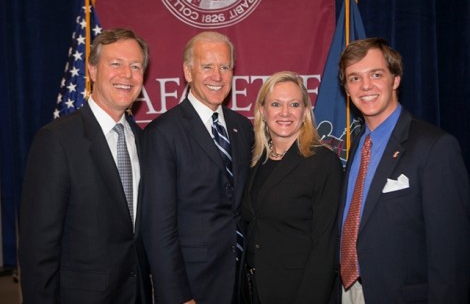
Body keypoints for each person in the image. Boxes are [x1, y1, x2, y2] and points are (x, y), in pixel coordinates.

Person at [18, 28, 152, 304]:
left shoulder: (141, 139)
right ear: (92, 70)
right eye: (116, 64)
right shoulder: (57, 141)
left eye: (135, 66)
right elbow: (38, 250)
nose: (127, 75)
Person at [337, 37, 470, 304]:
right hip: (348, 293)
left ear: (395, 79)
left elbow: (451, 255)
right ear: (347, 90)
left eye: (376, 74)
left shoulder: (435, 147)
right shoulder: (357, 147)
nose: (365, 86)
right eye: (354, 78)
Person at [141, 31, 253, 304]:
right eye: (207, 66)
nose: (217, 76)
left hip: (241, 283)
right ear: (187, 72)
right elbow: (158, 226)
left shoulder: (243, 127)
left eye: (224, 67)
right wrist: (178, 295)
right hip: (193, 286)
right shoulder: (163, 133)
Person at [240, 71, 343, 304]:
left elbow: (325, 246)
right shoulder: (254, 160)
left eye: (294, 104)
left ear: (305, 112)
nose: (285, 113)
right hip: (255, 290)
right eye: (276, 104)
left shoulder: (323, 162)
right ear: (263, 111)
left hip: (300, 292)